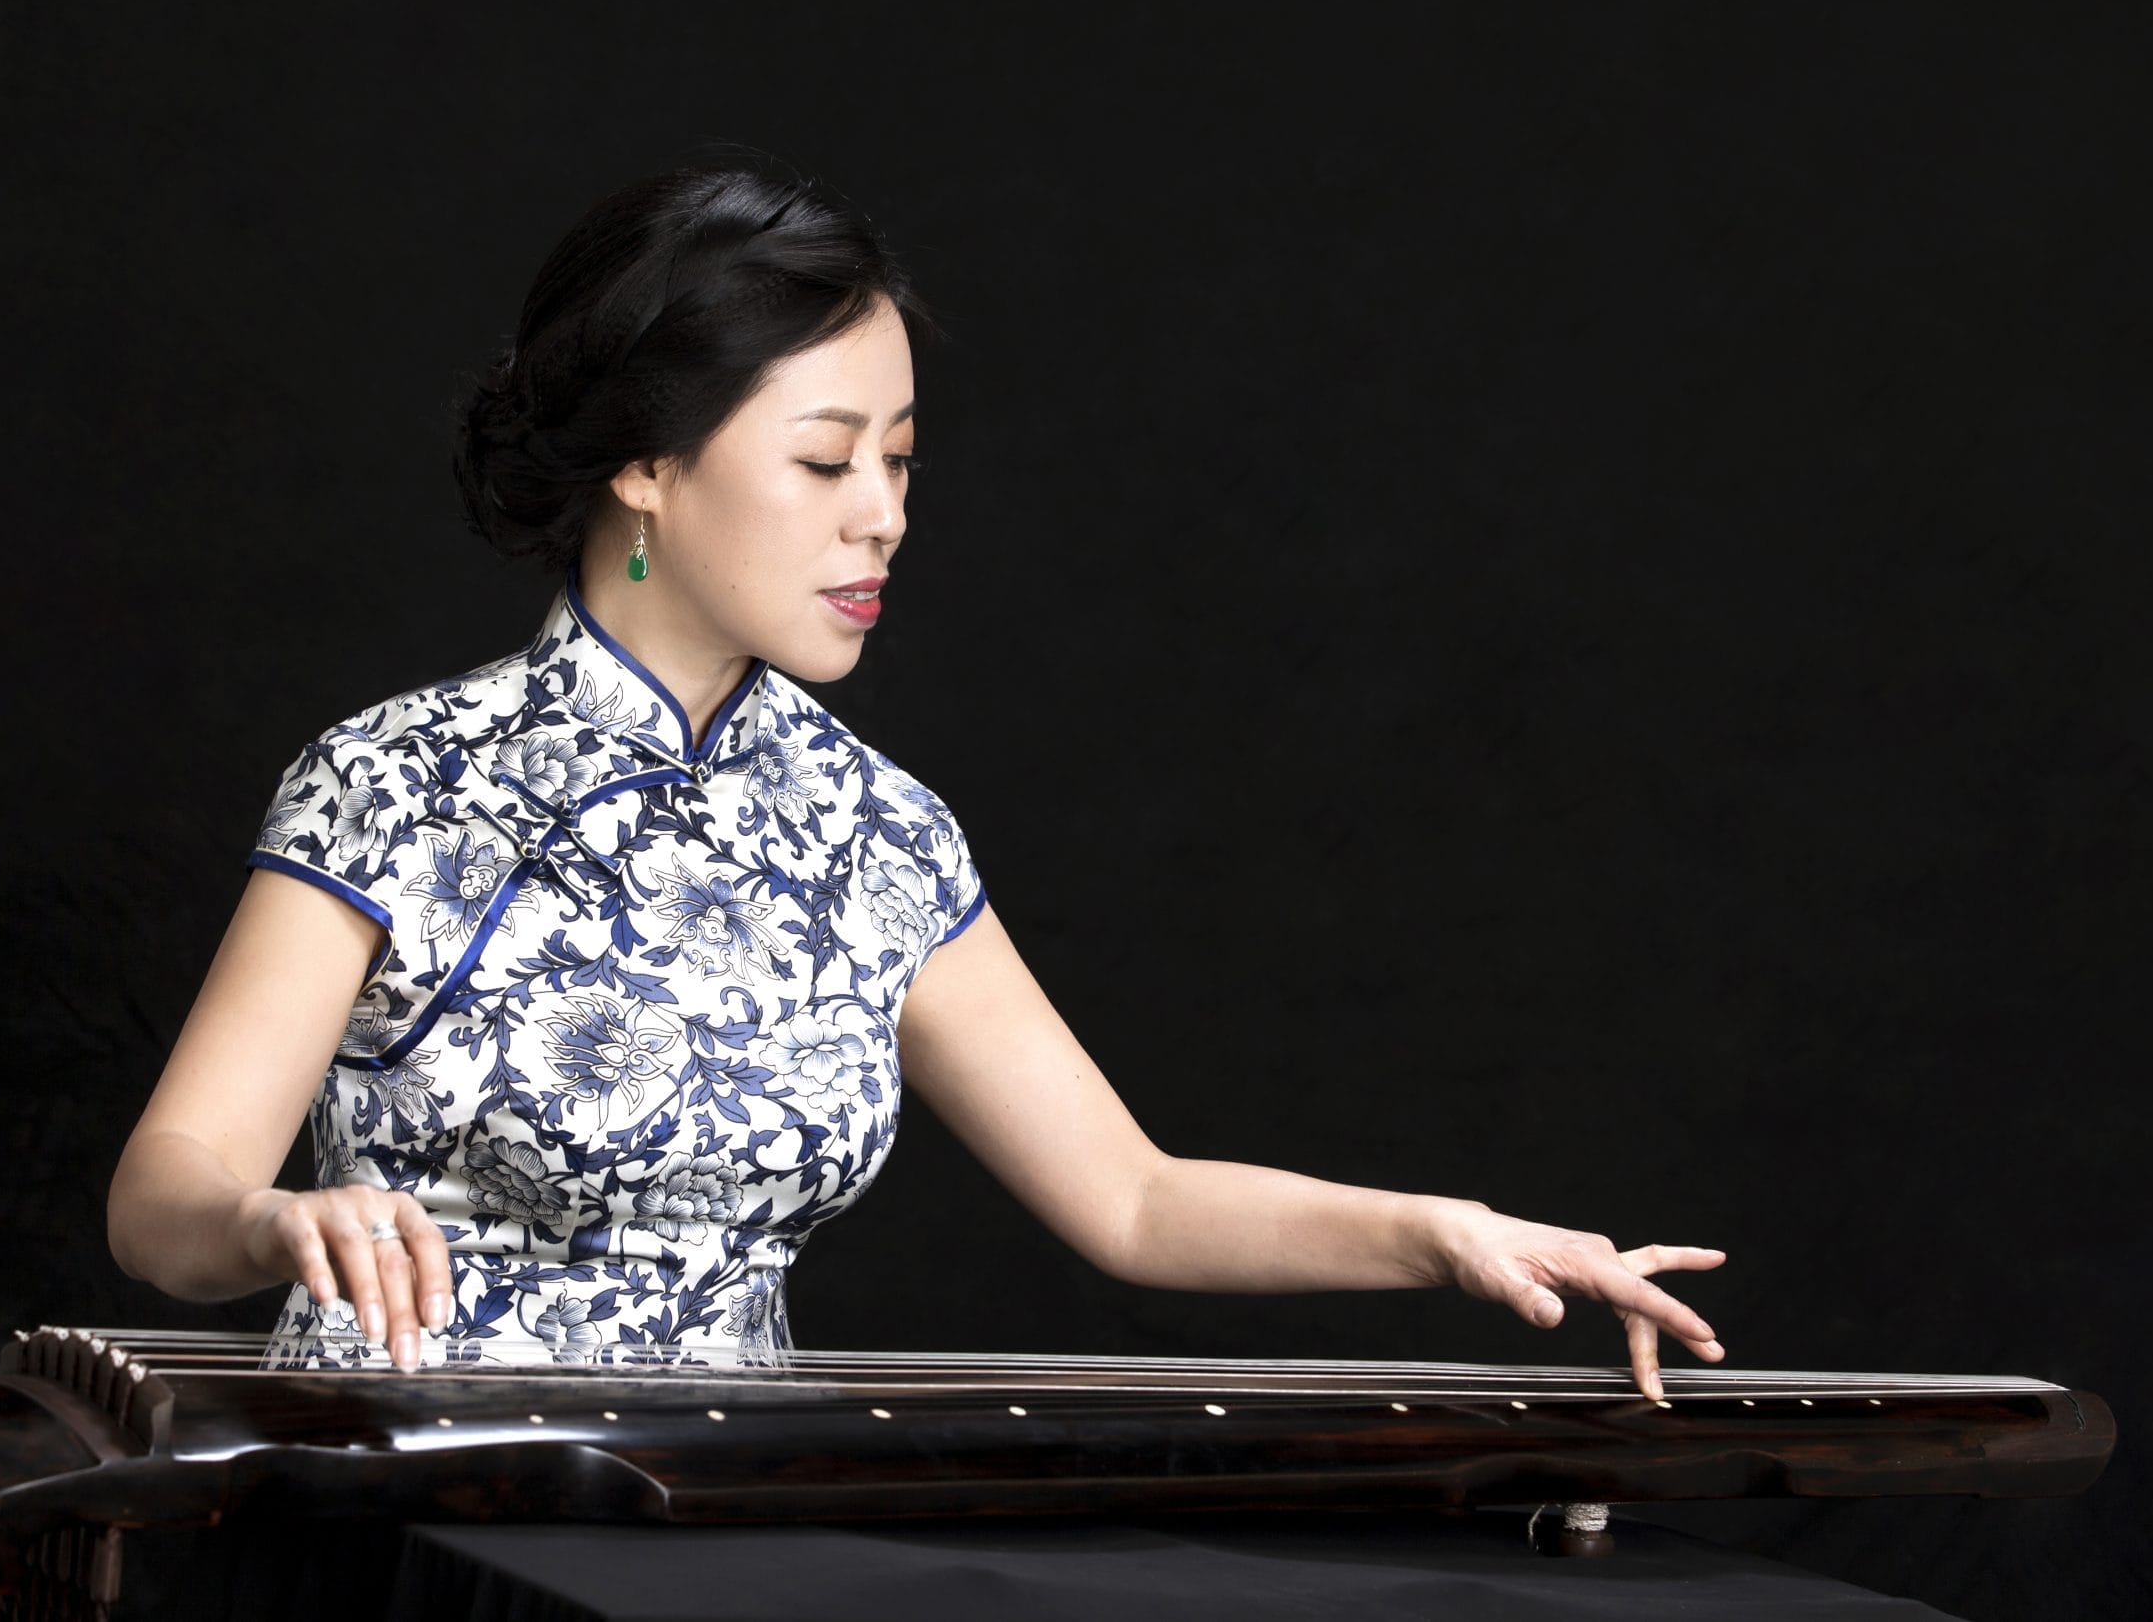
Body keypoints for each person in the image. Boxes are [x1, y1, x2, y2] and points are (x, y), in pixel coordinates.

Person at [105, 161, 1725, 1395]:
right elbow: (167, 1197)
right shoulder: (399, 783)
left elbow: (1135, 1201)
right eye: (824, 460)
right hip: (407, 1528)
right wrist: (270, 1227)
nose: (879, 513)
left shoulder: (874, 833)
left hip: (720, 1533)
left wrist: (1441, 1235)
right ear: (646, 464)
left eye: (897, 460)